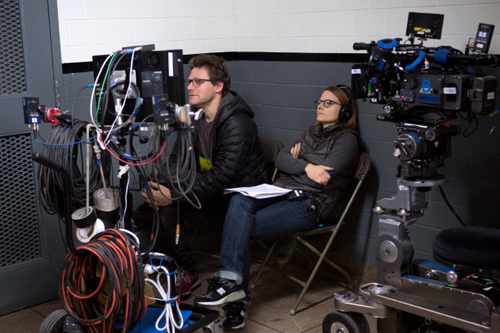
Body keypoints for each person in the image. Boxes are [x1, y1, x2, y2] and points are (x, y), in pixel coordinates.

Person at [193, 85, 360, 330]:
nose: (320, 106)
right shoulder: (311, 132)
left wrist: (301, 162)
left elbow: (324, 175)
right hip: (280, 191)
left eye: (328, 103)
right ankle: (232, 289)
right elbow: (282, 158)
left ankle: (235, 302)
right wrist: (307, 167)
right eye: (320, 101)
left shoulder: (347, 140)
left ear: (345, 112)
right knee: (239, 200)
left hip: (309, 203)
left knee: (240, 225)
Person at [133, 54, 268, 300]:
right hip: (212, 188)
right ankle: (143, 227)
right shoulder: (194, 118)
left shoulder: (237, 122)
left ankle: (184, 266)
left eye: (197, 82)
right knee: (160, 196)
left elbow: (222, 177)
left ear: (218, 87)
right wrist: (159, 185)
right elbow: (176, 160)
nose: (189, 87)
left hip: (237, 195)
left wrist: (173, 196)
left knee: (168, 204)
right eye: (189, 81)